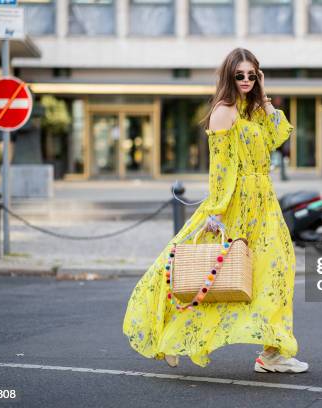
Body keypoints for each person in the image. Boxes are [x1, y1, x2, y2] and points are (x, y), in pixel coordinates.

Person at [122, 47, 309, 374]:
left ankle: (272, 351)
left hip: (264, 201)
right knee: (216, 278)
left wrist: (265, 98)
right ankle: (174, 336)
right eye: (241, 75)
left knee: (277, 270)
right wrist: (218, 210)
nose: (247, 80)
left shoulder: (253, 110)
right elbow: (221, 167)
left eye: (253, 74)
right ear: (229, 76)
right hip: (237, 202)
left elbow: (279, 136)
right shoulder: (224, 111)